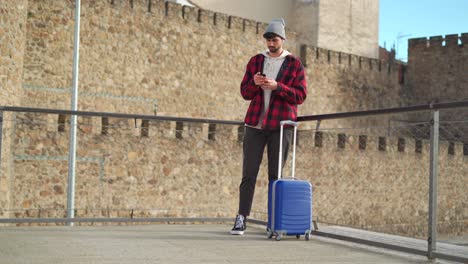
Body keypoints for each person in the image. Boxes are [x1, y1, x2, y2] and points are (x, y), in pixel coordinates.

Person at [230, 18, 307, 235]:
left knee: (275, 176)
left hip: (281, 126)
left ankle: (274, 221)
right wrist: (255, 84)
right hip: (255, 124)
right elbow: (244, 93)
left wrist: (278, 86)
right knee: (248, 174)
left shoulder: (294, 64)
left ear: (282, 39)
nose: (270, 44)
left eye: (274, 40)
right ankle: (241, 218)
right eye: (268, 40)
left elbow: (300, 96)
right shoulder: (256, 61)